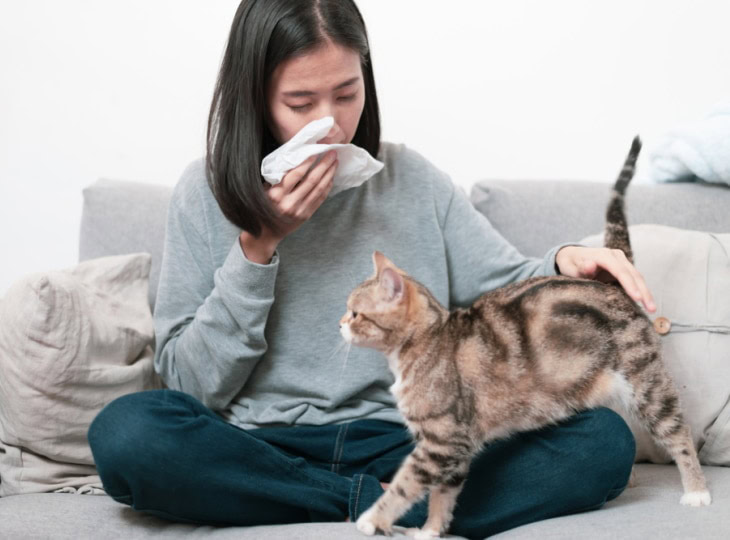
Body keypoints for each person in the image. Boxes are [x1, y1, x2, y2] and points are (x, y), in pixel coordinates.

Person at [88, 1, 656, 537]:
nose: (331, 124)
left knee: (600, 440)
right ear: (256, 98)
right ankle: (375, 503)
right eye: (300, 103)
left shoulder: (412, 179)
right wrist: (258, 248)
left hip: (407, 441)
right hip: (260, 448)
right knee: (129, 433)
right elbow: (190, 386)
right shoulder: (203, 191)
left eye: (346, 93)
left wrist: (565, 262)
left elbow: (505, 286)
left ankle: (343, 501)